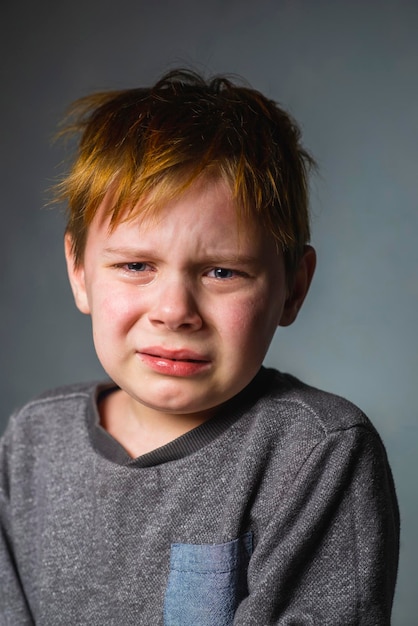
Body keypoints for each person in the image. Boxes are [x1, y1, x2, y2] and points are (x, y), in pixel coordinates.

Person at [0, 69, 399, 625]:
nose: (175, 311)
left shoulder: (316, 453)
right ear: (80, 272)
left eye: (222, 271)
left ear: (293, 288)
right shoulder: (31, 443)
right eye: (136, 265)